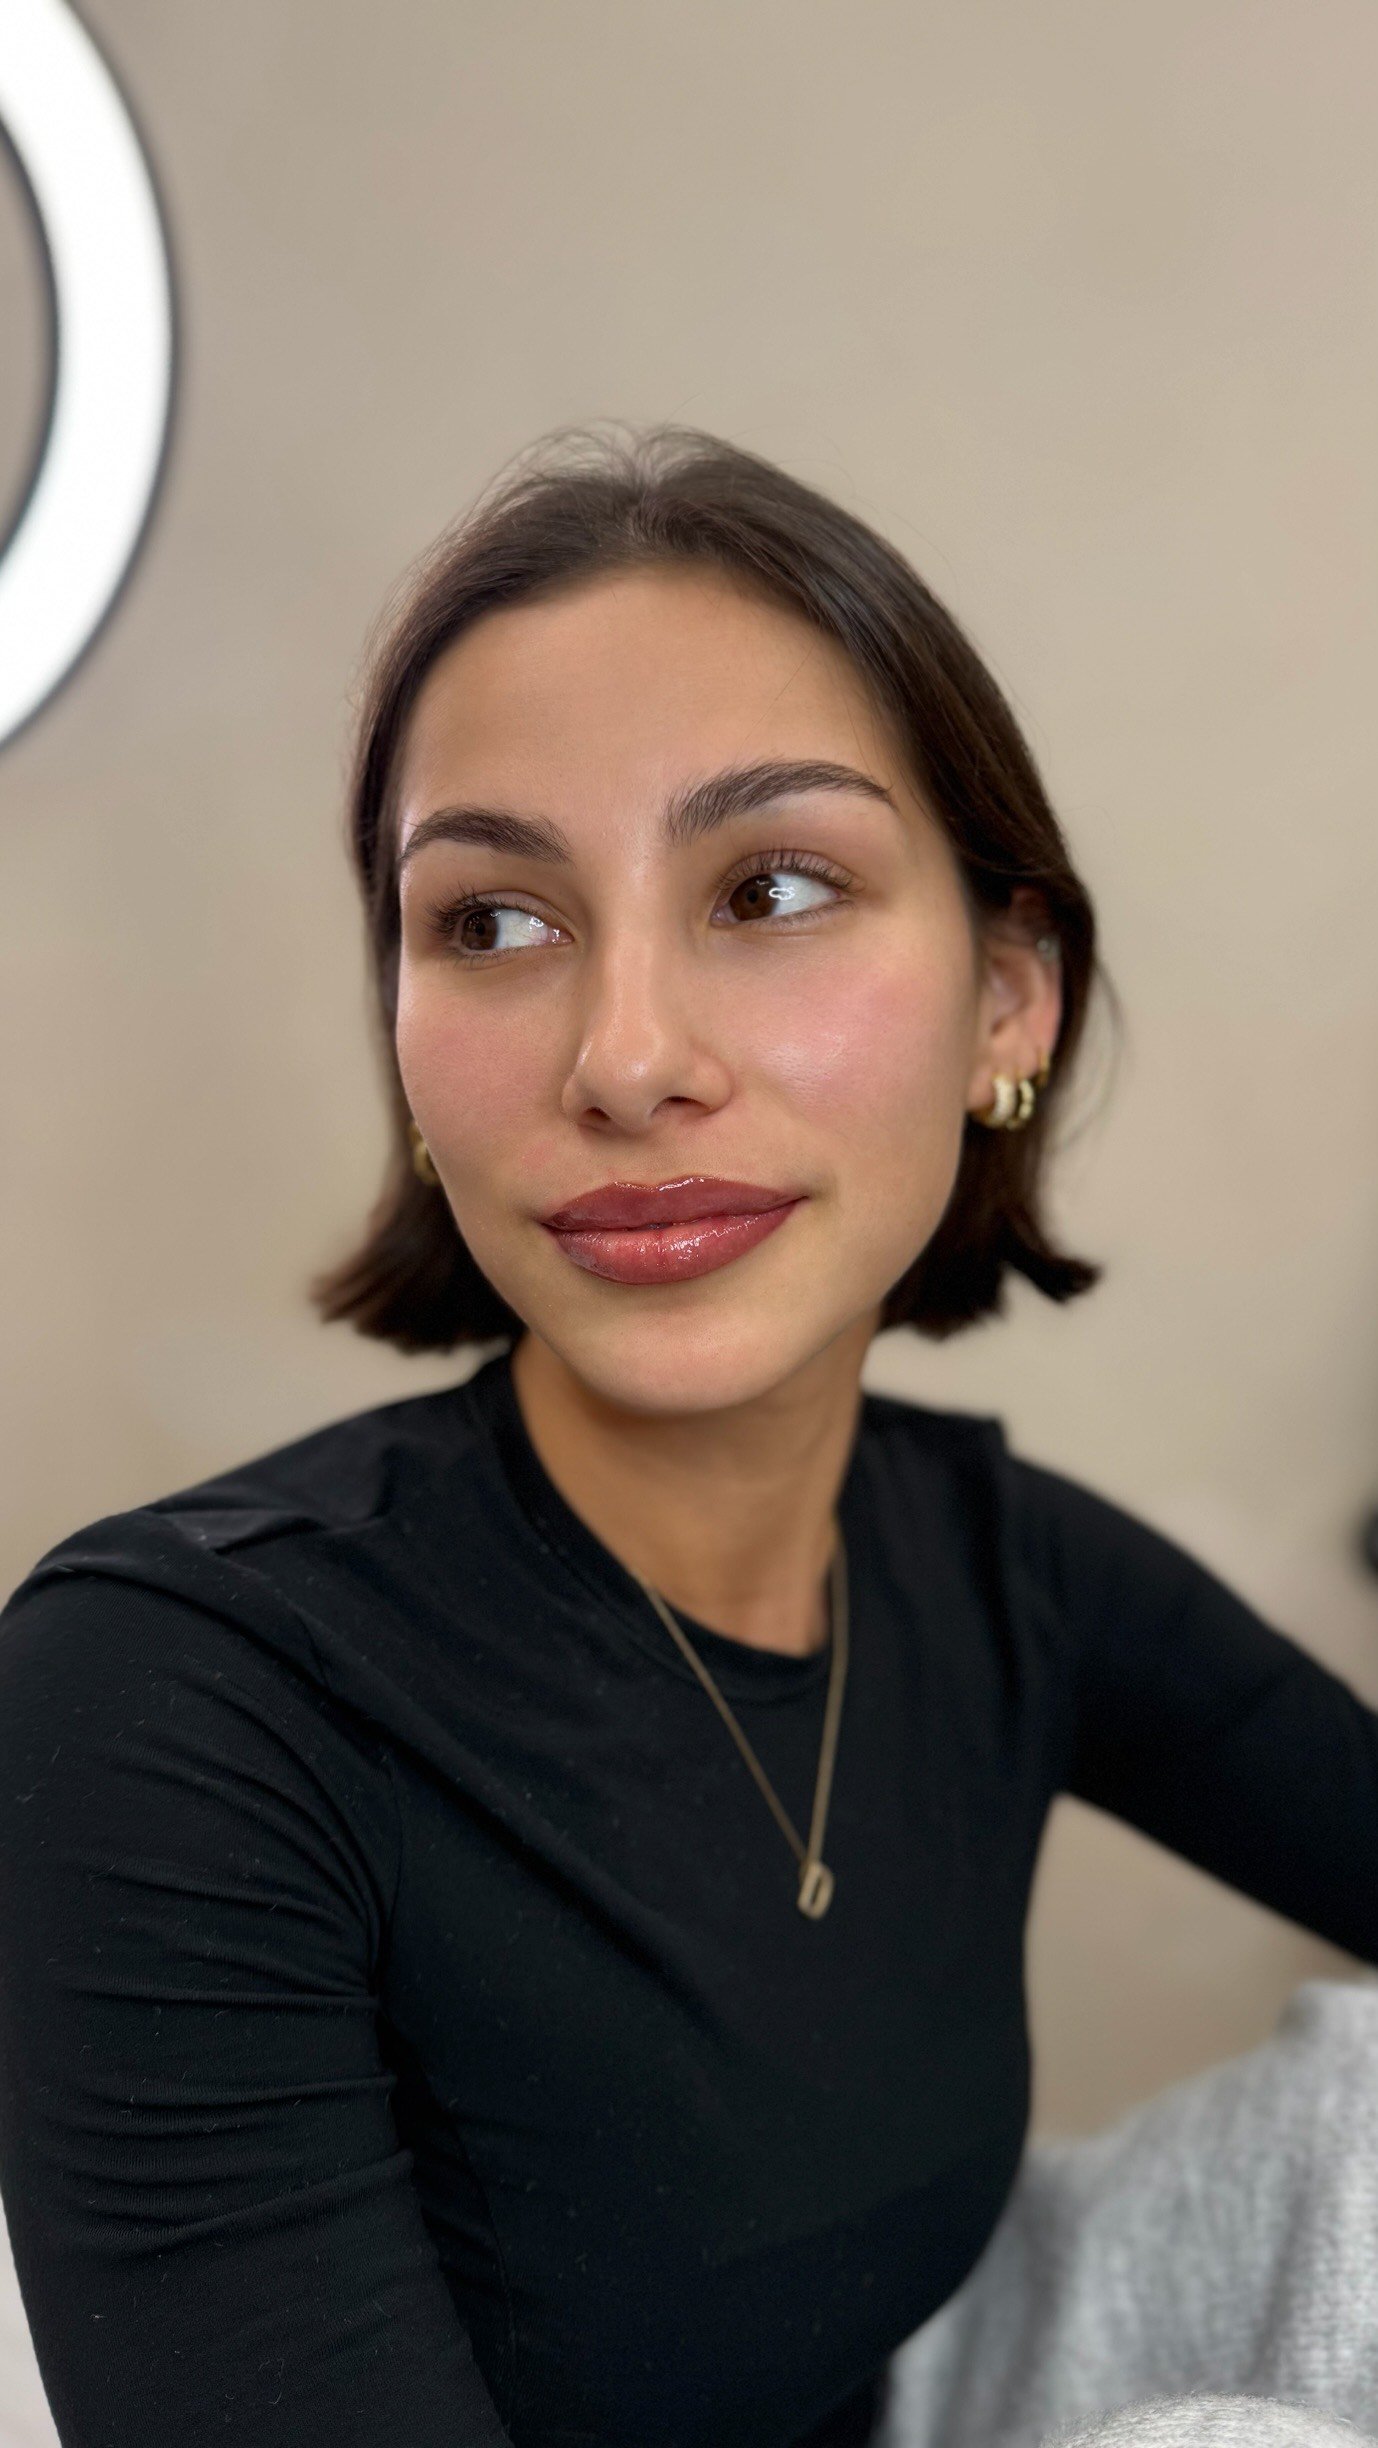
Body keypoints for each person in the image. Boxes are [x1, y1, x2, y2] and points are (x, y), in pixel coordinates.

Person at [1, 426, 1375, 2448]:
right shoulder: (171, 1697)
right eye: (487, 922)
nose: (626, 1057)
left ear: (1008, 1000)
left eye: (774, 885)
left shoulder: (997, 1571)